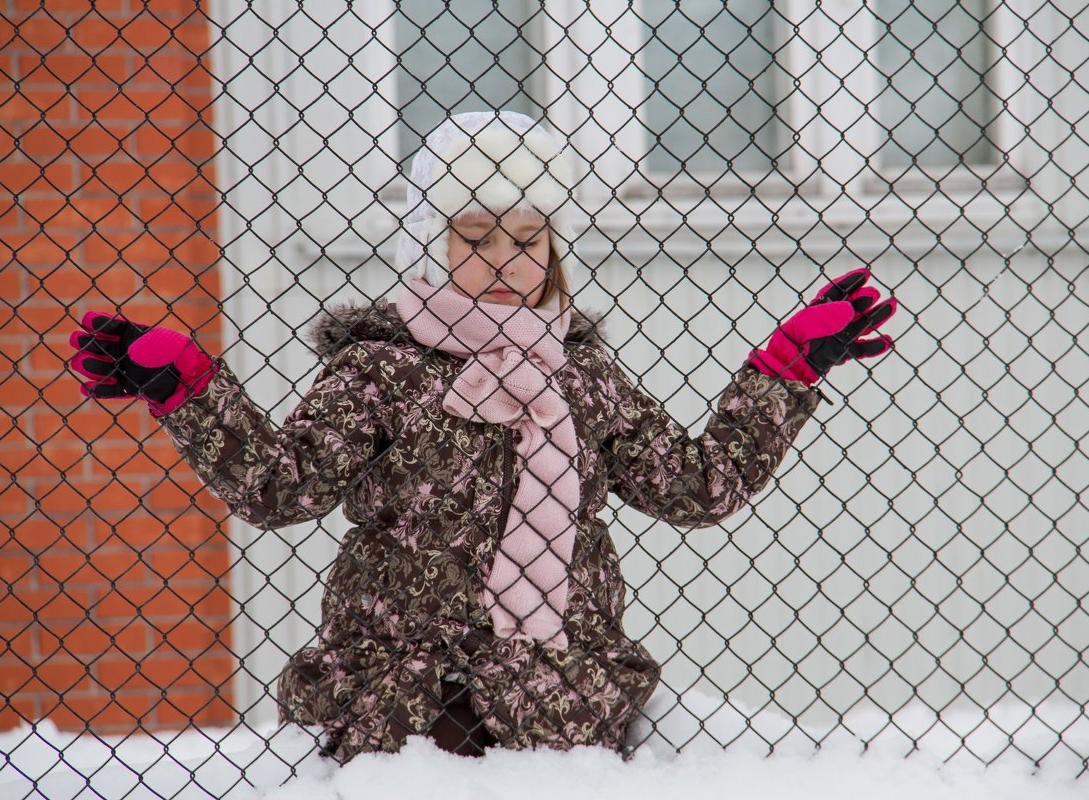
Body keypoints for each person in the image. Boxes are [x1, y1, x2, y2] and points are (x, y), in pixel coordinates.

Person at [67, 110, 897, 762]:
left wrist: (784, 371)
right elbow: (283, 487)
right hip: (397, 698)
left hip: (560, 699)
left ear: (554, 248)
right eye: (475, 237)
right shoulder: (383, 372)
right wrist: (192, 392)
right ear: (431, 241)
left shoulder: (583, 376)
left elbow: (697, 485)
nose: (505, 258)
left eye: (528, 238)